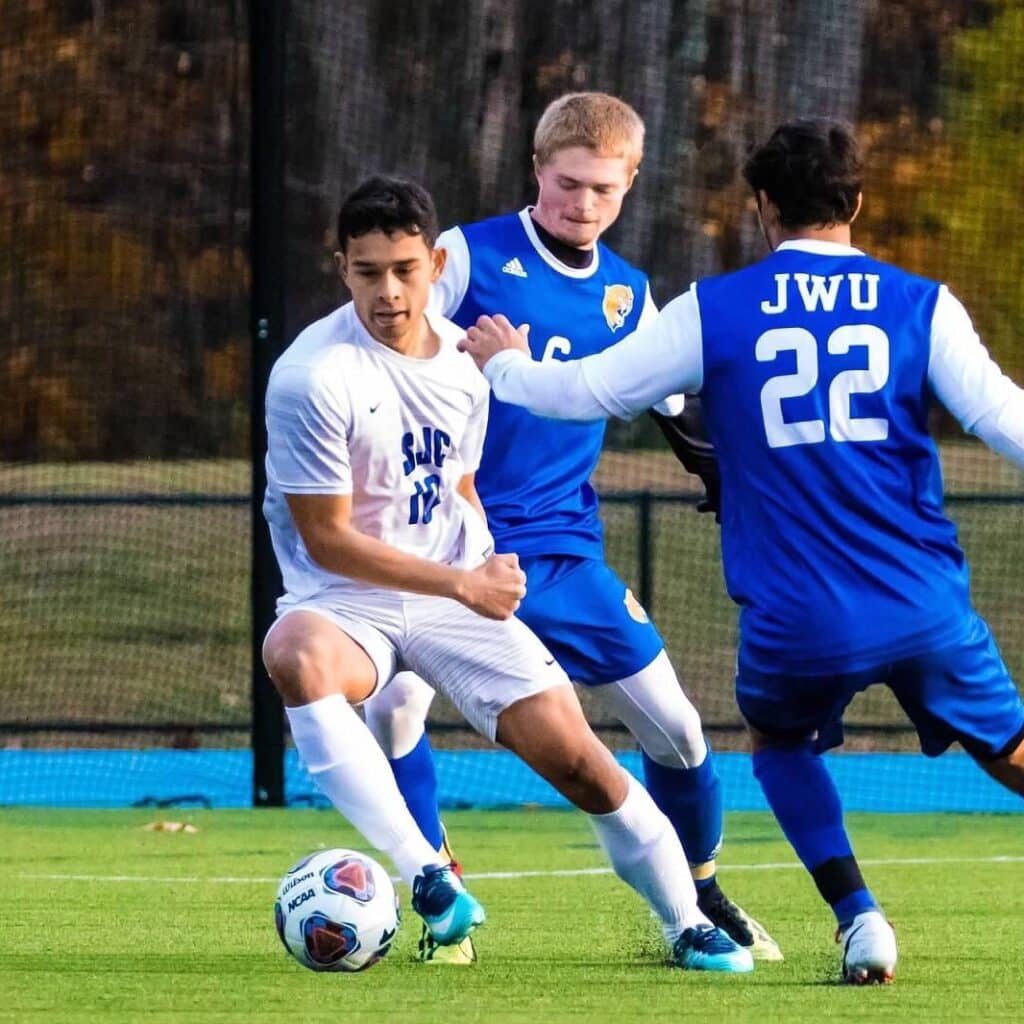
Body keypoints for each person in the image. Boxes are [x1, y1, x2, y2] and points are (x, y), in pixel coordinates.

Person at [456, 118, 1024, 985]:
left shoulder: (712, 309)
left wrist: (504, 364)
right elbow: (1000, 418)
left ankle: (860, 918)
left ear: (762, 206)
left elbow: (587, 391)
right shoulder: (922, 303)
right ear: (856, 204)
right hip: (921, 599)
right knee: (1011, 751)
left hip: (797, 616)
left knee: (780, 742)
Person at [261, 174, 754, 972]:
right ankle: (428, 875)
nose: (389, 293)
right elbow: (328, 541)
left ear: (434, 264)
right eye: (368, 272)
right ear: (342, 267)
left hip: (454, 590)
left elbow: (458, 484)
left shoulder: (467, 364)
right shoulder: (311, 376)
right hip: (346, 601)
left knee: (582, 764)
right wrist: (463, 584)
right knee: (294, 654)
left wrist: (484, 557)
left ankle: (686, 922)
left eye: (405, 270)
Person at [362, 92, 780, 965]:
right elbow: (383, 351)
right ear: (537, 170)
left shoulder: (630, 295)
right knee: (394, 711)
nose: (581, 203)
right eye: (567, 183)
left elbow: (682, 413)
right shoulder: (467, 257)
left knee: (679, 731)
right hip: (447, 546)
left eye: (602, 188)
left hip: (560, 552)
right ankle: (442, 901)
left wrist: (734, 477)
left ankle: (700, 889)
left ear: (630, 184)